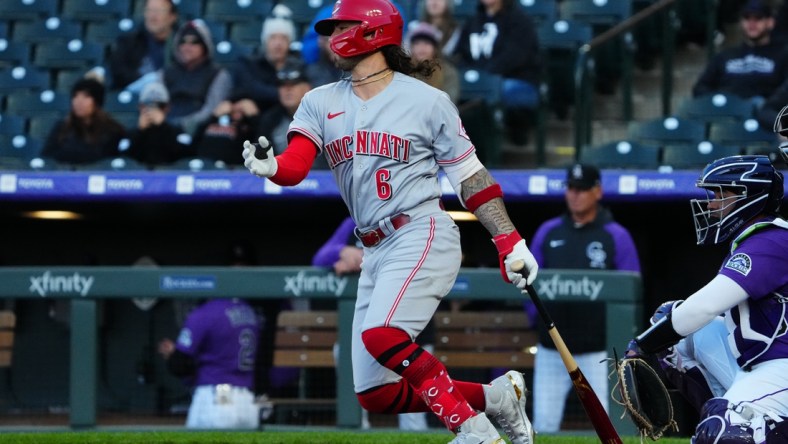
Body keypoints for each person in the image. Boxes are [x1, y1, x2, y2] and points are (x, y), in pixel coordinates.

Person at [240, 0, 540, 442]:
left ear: (370, 30)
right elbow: (297, 165)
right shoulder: (319, 101)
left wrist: (509, 240)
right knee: (375, 392)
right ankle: (497, 401)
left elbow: (470, 177)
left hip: (422, 229)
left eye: (342, 25)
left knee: (383, 335)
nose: (333, 35)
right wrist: (271, 168)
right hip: (374, 248)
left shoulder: (427, 99)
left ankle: (474, 430)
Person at [626, 151, 788, 443]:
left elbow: (705, 306)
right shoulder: (756, 239)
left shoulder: (771, 241)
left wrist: (642, 345)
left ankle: (738, 422)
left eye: (719, 194)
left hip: (783, 367)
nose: (711, 204)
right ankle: (730, 412)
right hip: (759, 365)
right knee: (671, 322)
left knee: (723, 431)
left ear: (746, 196)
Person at [526, 164, 641, 434]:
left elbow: (630, 292)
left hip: (599, 353)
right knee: (544, 426)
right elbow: (528, 286)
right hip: (553, 350)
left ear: (597, 191)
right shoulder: (548, 232)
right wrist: (539, 326)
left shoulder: (616, 236)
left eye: (582, 189)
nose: (575, 195)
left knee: (610, 426)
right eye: (571, 188)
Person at [312, 215, 435, 431]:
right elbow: (319, 258)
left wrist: (366, 260)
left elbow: (418, 259)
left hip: (412, 330)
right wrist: (342, 253)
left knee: (413, 416)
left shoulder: (415, 214)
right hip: (364, 331)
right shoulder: (356, 219)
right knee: (358, 405)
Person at [157, 297, 261, 429]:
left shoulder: (206, 313)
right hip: (247, 402)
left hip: (217, 401)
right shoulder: (249, 311)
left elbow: (180, 366)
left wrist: (172, 355)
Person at [453, 0, 541, 147]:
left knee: (501, 90)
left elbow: (515, 57)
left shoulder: (520, 20)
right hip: (480, 80)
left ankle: (514, 132)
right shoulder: (472, 21)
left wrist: (483, 77)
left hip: (515, 79)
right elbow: (461, 55)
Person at [692, 0, 788, 110]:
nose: (752, 24)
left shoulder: (782, 56)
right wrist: (722, 99)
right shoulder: (724, 56)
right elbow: (700, 88)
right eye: (747, 18)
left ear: (770, 22)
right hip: (727, 113)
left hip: (765, 114)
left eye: (758, 18)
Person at [161, 19, 232, 136]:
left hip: (199, 130)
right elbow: (156, 102)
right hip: (165, 128)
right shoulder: (165, 73)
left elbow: (211, 110)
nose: (187, 46)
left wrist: (183, 124)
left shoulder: (218, 74)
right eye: (183, 41)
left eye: (194, 42)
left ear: (205, 45)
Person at [225, 5, 296, 119]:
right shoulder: (248, 64)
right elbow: (249, 87)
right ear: (265, 40)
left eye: (284, 38)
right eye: (273, 37)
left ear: (290, 42)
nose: (278, 43)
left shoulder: (298, 66)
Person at [257, 57, 329, 170]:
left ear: (307, 88)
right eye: (282, 85)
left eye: (293, 84)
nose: (287, 90)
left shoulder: (324, 117)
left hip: (324, 180)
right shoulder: (270, 119)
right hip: (282, 179)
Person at [41, 76, 127, 166]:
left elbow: (112, 162)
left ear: (97, 102)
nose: (79, 101)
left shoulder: (112, 130)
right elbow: (47, 158)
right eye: (75, 96)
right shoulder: (62, 128)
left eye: (86, 96)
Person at [108, 0, 178, 91]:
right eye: (149, 10)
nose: (153, 16)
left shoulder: (183, 44)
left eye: (159, 11)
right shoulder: (129, 42)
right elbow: (118, 73)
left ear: (172, 17)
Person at [125, 81, 190, 167]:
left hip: (169, 176)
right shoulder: (131, 132)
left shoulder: (177, 131)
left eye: (160, 106)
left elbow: (186, 157)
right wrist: (140, 131)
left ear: (167, 108)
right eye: (148, 105)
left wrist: (163, 126)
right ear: (140, 107)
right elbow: (123, 159)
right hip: (138, 176)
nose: (154, 110)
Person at [406, 22, 460, 105]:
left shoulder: (448, 71)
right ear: (411, 48)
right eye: (417, 43)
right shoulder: (404, 71)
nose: (422, 47)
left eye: (427, 43)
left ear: (435, 48)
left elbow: (449, 102)